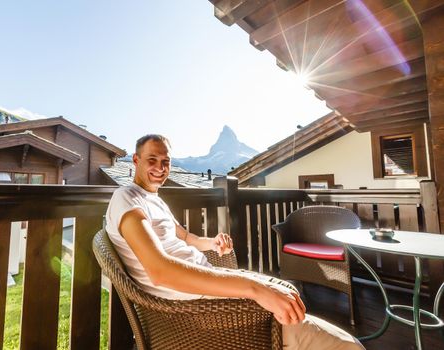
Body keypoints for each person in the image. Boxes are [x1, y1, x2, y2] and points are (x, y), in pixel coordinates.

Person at [105, 134, 364, 350]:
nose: (160, 168)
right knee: (348, 346)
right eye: (152, 160)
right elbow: (160, 272)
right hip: (198, 312)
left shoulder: (155, 201)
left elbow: (186, 238)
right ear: (136, 160)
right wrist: (254, 288)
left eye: (165, 162)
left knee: (289, 296)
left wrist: (212, 243)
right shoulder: (127, 197)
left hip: (208, 290)